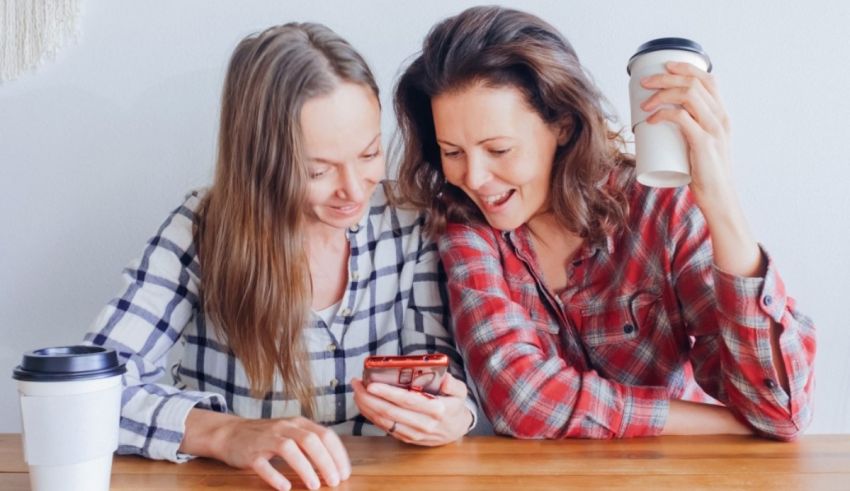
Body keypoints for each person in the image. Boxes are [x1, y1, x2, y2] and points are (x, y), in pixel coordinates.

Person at [85, 22, 476, 491]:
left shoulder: (408, 222)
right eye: (318, 170)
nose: (354, 190)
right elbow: (90, 392)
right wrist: (226, 432)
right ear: (261, 162)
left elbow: (440, 370)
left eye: (369, 154)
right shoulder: (202, 229)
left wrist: (455, 413)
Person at [394, 6, 814, 441]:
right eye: (453, 152)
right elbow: (520, 400)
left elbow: (781, 411)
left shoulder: (658, 208)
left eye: (498, 150)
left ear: (563, 125)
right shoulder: (465, 220)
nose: (475, 178)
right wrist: (723, 422)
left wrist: (721, 201)